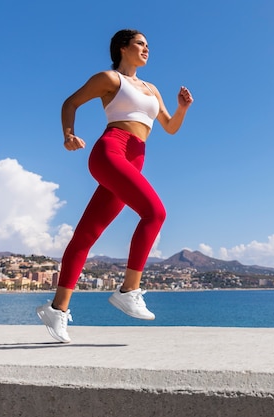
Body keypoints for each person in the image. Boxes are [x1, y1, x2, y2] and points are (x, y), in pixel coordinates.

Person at [36, 29, 193, 343]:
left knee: (86, 235)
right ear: (123, 48)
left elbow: (170, 128)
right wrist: (68, 134)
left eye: (149, 44)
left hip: (136, 158)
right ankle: (129, 289)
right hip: (111, 152)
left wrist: (182, 108)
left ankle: (57, 309)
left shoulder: (152, 89)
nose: (146, 48)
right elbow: (71, 102)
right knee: (155, 213)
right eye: (140, 43)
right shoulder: (110, 79)